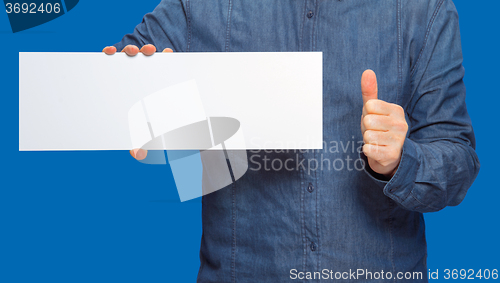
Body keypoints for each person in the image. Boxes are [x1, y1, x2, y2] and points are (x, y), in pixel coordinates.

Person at [103, 1, 480, 282]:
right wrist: (134, 85)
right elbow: (114, 89)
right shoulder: (202, 5)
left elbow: (459, 159)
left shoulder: (423, 10)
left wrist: (403, 160)